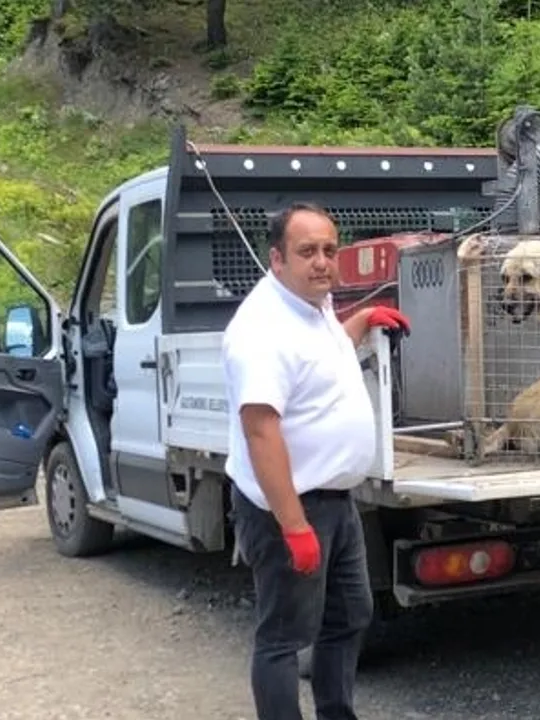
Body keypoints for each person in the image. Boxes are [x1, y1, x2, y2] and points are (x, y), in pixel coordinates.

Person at [221, 201, 411, 720]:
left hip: (335, 500)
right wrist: (294, 526)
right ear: (277, 258)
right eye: (307, 251)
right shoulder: (261, 331)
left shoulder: (312, 306)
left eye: (330, 249)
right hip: (290, 506)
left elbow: (318, 361)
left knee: (349, 615)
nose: (323, 261)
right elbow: (260, 431)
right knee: (284, 636)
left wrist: (361, 322)